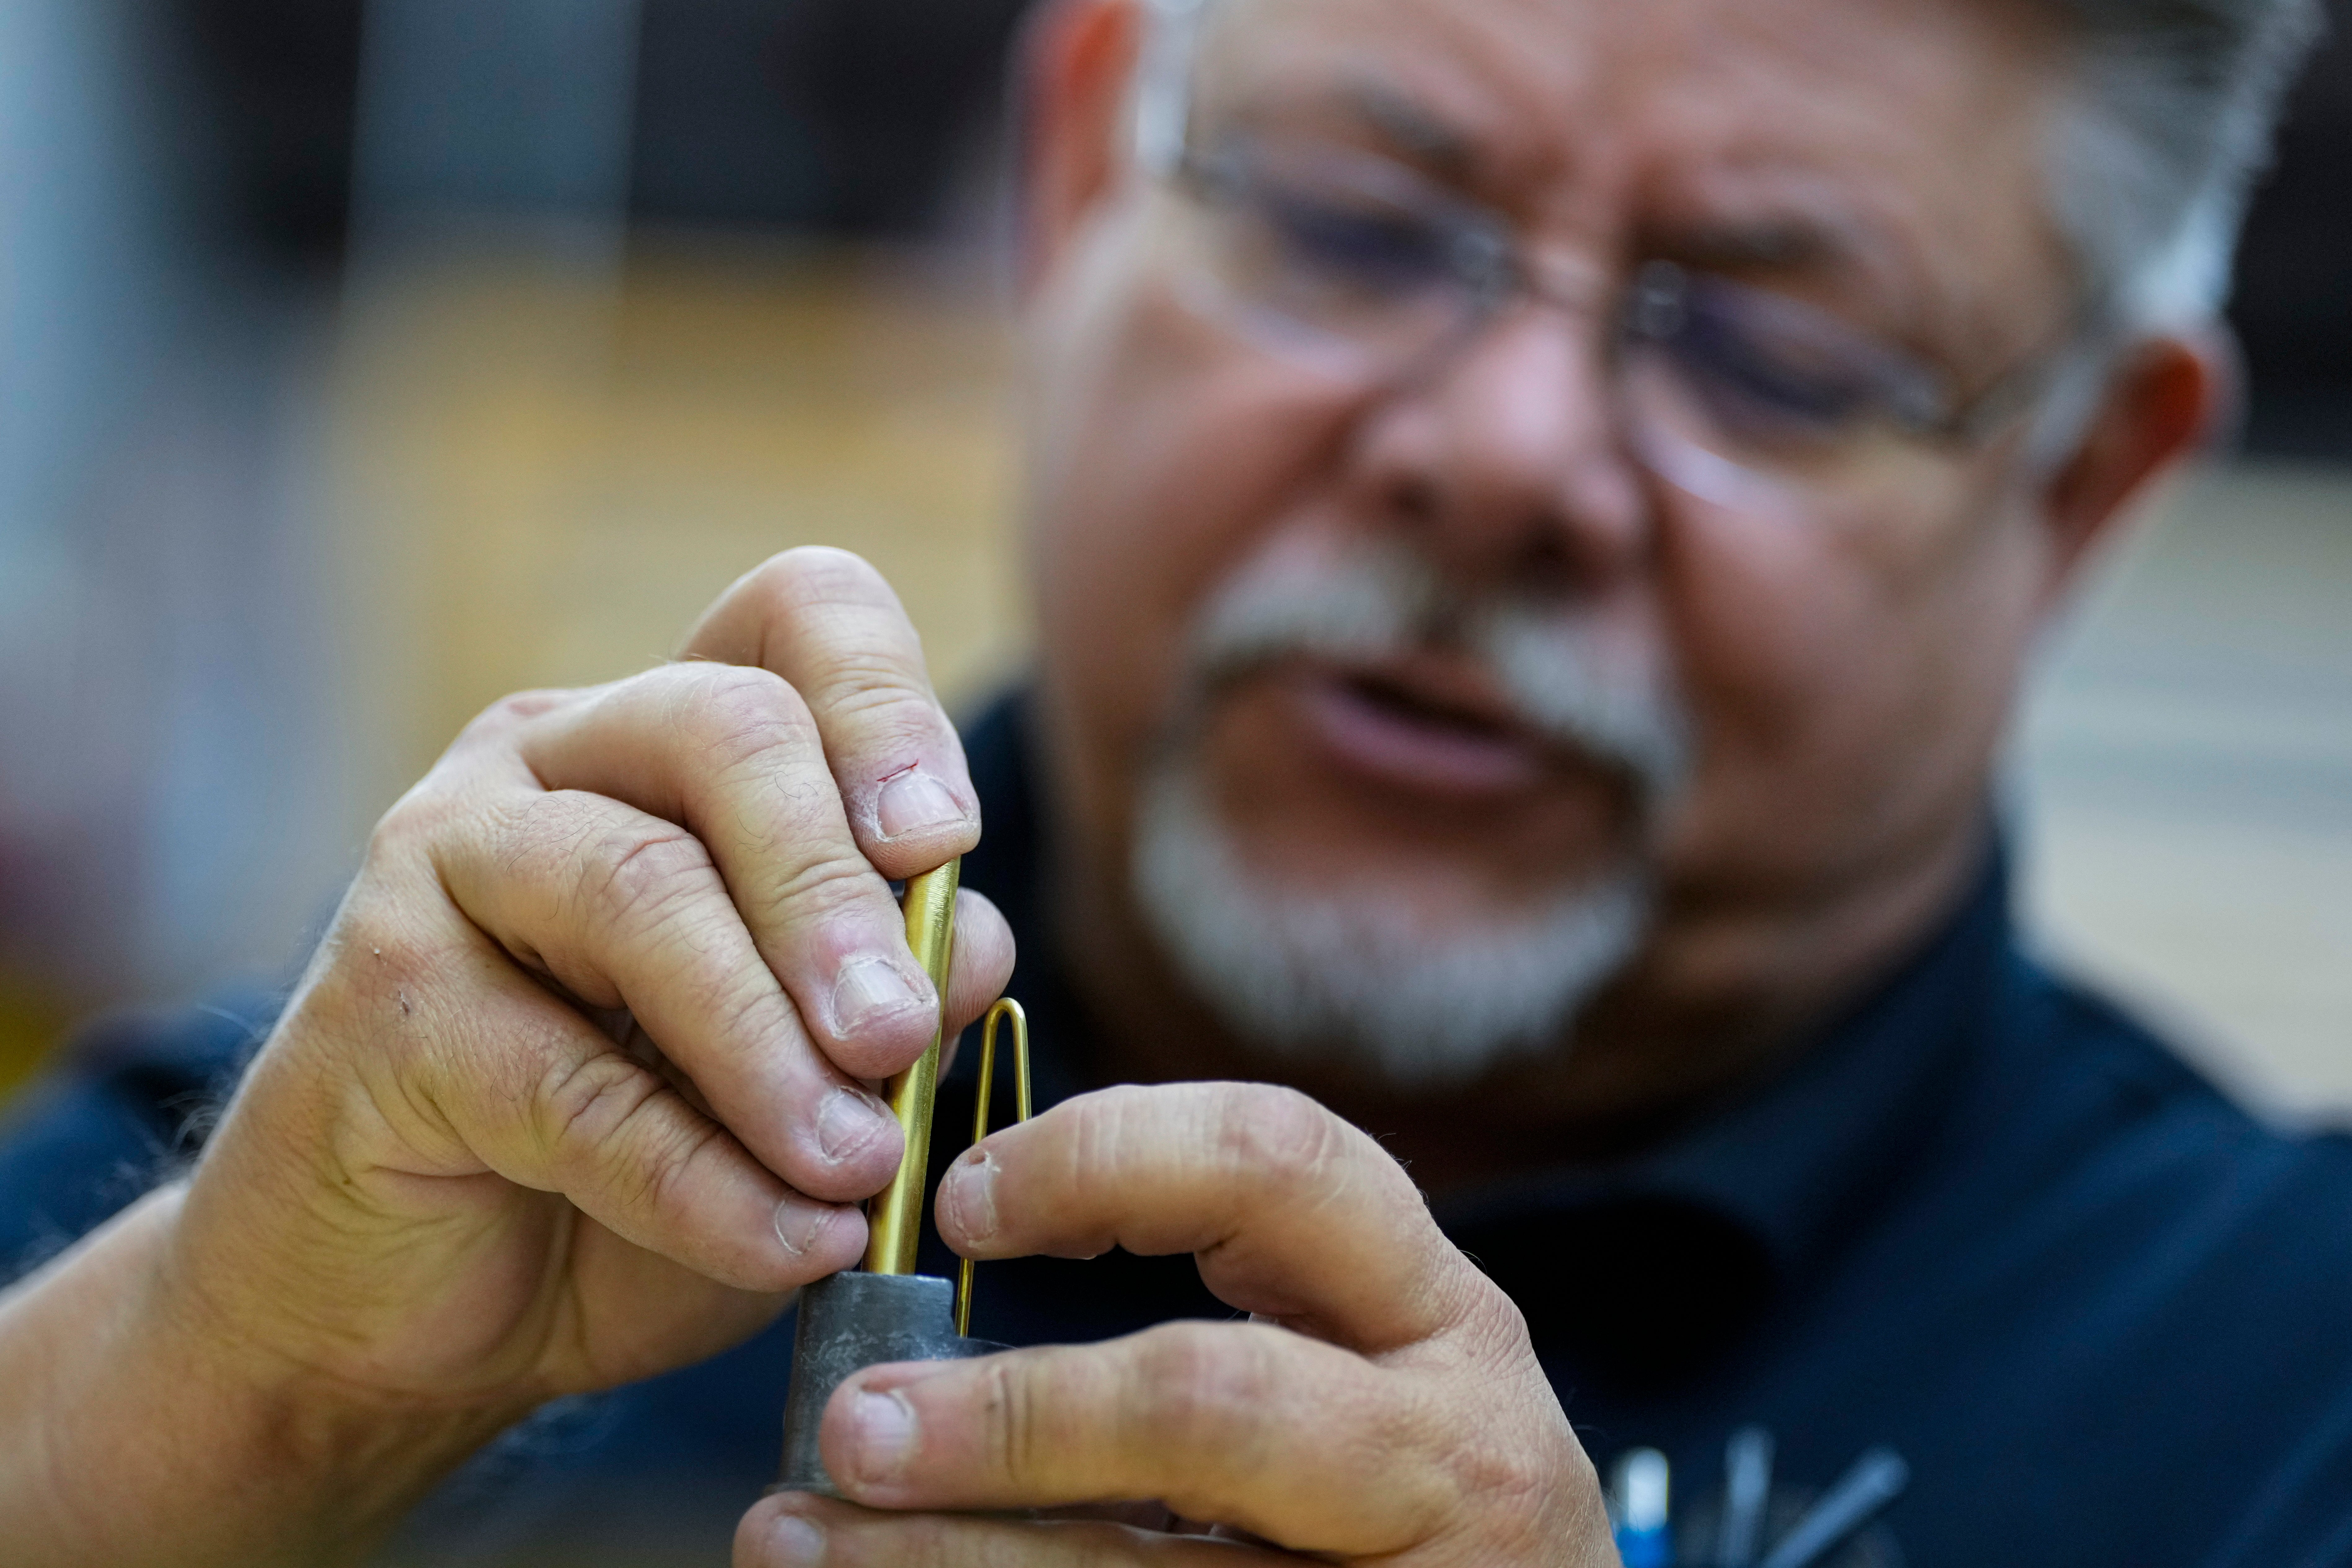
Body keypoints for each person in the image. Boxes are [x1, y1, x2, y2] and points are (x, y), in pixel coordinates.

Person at [1, 0, 2345, 1563]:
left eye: (1772, 347)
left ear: (2077, 493)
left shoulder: (2281, 1408)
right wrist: (230, 1408)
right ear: (1072, 176)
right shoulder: (272, 1184)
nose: (1498, 451)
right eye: (1357, 217)